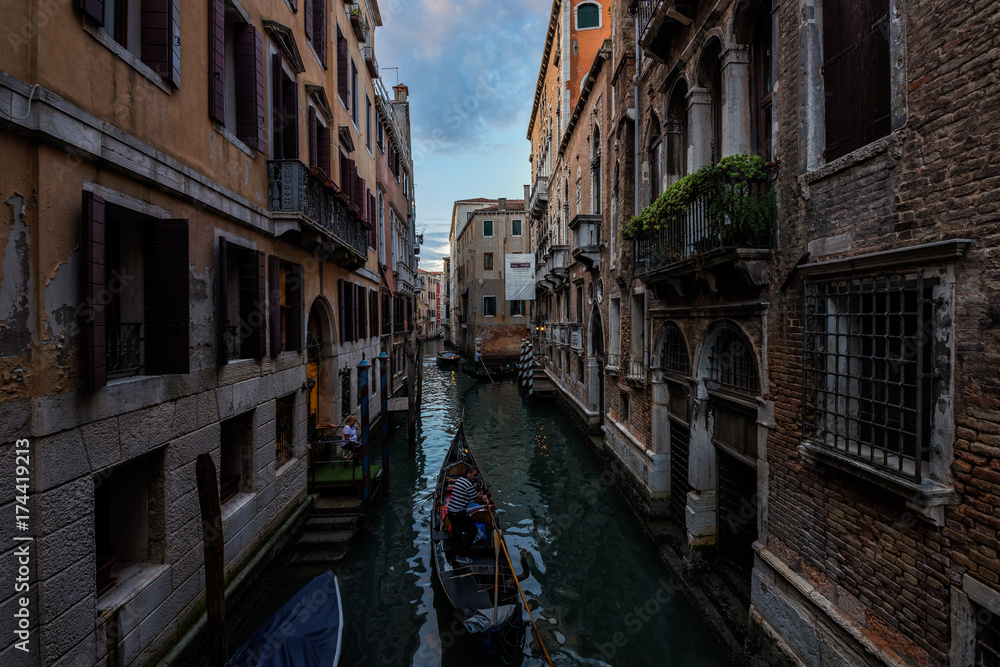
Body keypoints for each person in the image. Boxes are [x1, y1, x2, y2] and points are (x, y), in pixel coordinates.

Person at [447, 466, 491, 564]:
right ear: (469, 473)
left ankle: (454, 559)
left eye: (476, 475)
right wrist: (484, 498)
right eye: (474, 475)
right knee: (473, 531)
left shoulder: (459, 480)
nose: (475, 477)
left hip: (451, 513)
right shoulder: (469, 485)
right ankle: (462, 555)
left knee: (456, 536)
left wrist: (480, 498)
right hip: (459, 514)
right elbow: (475, 499)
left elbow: (472, 497)